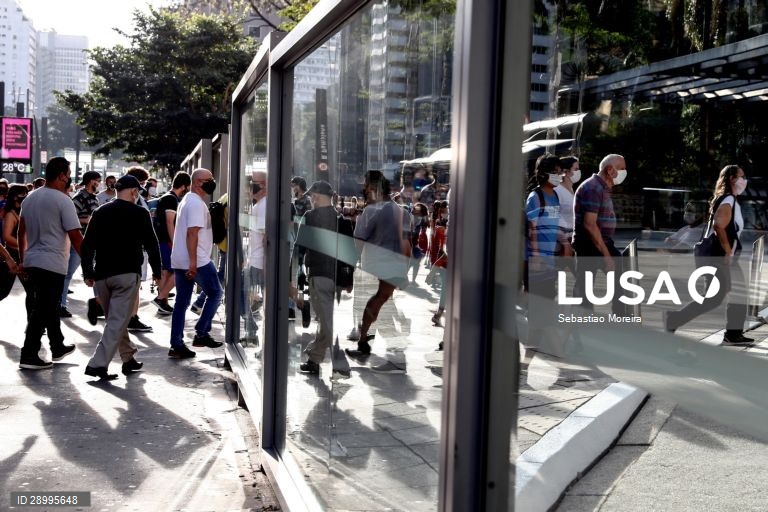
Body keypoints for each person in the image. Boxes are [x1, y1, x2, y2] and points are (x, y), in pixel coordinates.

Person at [81, 175, 162, 380]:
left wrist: (88, 272)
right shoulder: (140, 213)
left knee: (116, 320)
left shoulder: (100, 212)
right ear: (134, 191)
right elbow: (152, 245)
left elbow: (87, 244)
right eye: (138, 192)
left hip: (102, 276)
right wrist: (158, 273)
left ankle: (128, 359)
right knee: (117, 321)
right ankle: (97, 364)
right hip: (127, 275)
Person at [664, 165, 753, 345]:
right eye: (741, 176)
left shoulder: (727, 199)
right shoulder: (728, 200)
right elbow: (719, 226)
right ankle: (731, 334)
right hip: (720, 256)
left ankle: (732, 334)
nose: (744, 180)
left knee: (718, 297)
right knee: (724, 296)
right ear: (731, 179)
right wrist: (728, 250)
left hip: (718, 256)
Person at [17, 157, 82, 370]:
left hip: (34, 260)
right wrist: (90, 263)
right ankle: (29, 354)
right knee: (42, 308)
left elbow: (21, 231)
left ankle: (57, 345)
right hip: (53, 262)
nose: (69, 177)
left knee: (48, 305)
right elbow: (75, 235)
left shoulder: (30, 198)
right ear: (62, 175)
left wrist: (23, 258)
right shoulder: (63, 200)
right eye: (68, 173)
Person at [346, 170, 412, 359]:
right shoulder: (402, 212)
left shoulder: (370, 211)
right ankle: (370, 337)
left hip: (371, 266)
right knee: (382, 300)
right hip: (395, 266)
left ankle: (363, 340)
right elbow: (408, 243)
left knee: (373, 302)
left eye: (366, 186)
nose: (364, 190)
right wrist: (404, 269)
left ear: (374, 188)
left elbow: (357, 242)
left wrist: (351, 268)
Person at [168, 168, 224, 358]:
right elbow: (192, 234)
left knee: (181, 302)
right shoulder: (195, 204)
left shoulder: (188, 201)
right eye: (210, 179)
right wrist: (193, 263)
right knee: (216, 293)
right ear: (199, 181)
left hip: (183, 259)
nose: (212, 182)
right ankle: (201, 333)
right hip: (197, 259)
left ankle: (176, 344)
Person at [571, 153, 628, 315]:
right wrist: (606, 256)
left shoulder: (602, 187)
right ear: (610, 170)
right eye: (622, 169)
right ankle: (577, 327)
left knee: (620, 274)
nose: (624, 172)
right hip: (589, 243)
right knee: (584, 288)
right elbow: (590, 225)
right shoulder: (593, 188)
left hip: (602, 242)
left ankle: (620, 315)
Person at [296, 181, 341, 374]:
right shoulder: (339, 218)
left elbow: (300, 248)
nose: (311, 199)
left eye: (312, 196)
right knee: (324, 319)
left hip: (318, 274)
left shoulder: (310, 216)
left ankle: (338, 359)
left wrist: (297, 274)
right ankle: (315, 358)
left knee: (326, 321)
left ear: (318, 197)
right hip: (335, 276)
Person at [59, 170, 101, 317]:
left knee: (97, 273)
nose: (99, 184)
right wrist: (87, 220)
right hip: (78, 240)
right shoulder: (79, 197)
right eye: (97, 181)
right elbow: (70, 218)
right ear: (90, 181)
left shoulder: (94, 198)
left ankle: (99, 304)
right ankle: (61, 305)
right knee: (67, 274)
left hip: (92, 241)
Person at [152, 171, 191, 315]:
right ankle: (161, 298)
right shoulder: (171, 199)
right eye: (188, 187)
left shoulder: (167, 198)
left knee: (167, 271)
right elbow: (170, 221)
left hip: (162, 240)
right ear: (184, 186)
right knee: (179, 270)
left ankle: (162, 302)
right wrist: (176, 244)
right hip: (167, 241)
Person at [556, 155, 580, 259]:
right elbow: (554, 216)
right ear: (566, 171)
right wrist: (564, 241)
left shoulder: (572, 190)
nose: (578, 172)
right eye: (576, 169)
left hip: (572, 239)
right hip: (561, 242)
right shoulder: (557, 190)